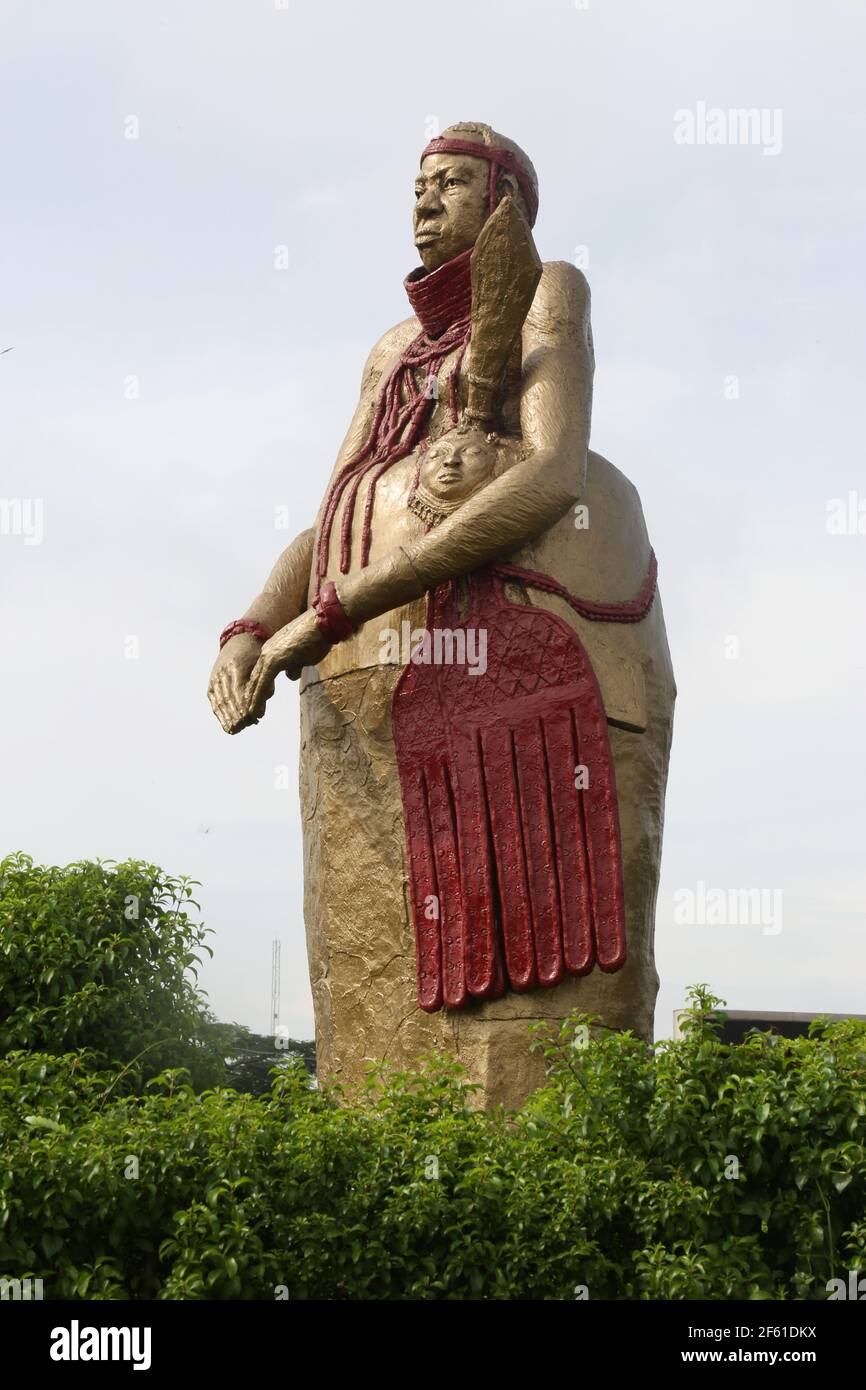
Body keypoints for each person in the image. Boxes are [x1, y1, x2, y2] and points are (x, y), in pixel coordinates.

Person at [208, 122, 675, 1108]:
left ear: (501, 201)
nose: (424, 200)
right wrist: (255, 622)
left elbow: (550, 471)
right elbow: (339, 503)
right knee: (367, 966)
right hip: (356, 680)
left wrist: (331, 611)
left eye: (452, 182)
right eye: (418, 184)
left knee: (525, 972)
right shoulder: (390, 351)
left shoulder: (550, 290)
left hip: (490, 650)